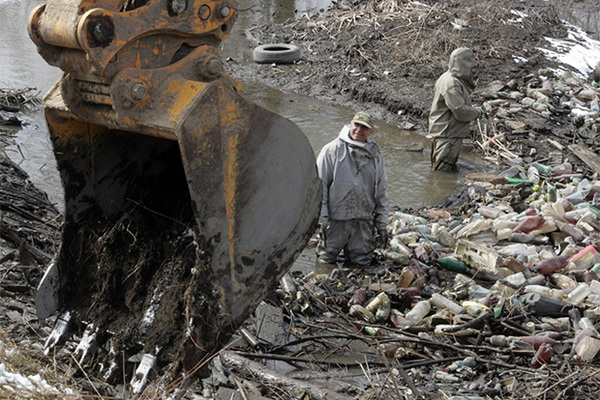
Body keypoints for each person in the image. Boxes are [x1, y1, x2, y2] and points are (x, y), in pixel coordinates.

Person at [315, 111, 389, 267]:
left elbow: (381, 190)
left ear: (371, 132)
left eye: (364, 127)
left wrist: (382, 223)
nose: (359, 130)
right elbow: (319, 186)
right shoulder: (332, 150)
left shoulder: (375, 155)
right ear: (350, 124)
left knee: (362, 262)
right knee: (326, 259)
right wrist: (321, 218)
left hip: (363, 221)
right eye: (356, 125)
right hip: (336, 220)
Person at [429, 47, 483, 172]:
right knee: (442, 173)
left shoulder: (447, 77)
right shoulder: (452, 83)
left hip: (443, 131)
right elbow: (460, 111)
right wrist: (477, 113)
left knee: (439, 168)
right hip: (448, 134)